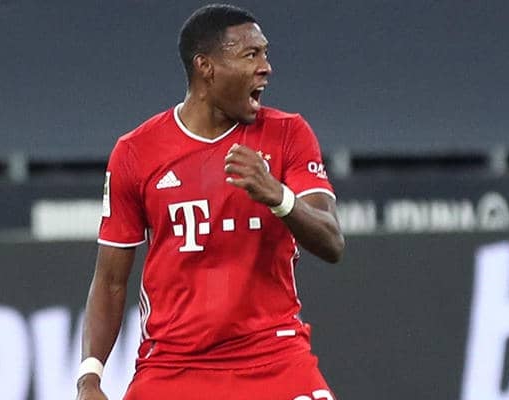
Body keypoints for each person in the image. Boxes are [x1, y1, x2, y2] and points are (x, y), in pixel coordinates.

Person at [76, 4, 345, 400]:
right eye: (251, 55)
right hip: (173, 367)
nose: (266, 68)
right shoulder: (137, 152)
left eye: (265, 53)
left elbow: (332, 241)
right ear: (206, 67)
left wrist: (279, 196)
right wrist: (90, 378)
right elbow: (110, 281)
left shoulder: (288, 133)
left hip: (275, 358)